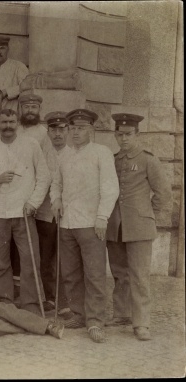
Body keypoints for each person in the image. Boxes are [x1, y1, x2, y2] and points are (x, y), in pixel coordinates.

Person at [50, 109, 119, 343]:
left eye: (81, 128)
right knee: (70, 272)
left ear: (91, 129)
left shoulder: (102, 153)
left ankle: (96, 320)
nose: (76, 132)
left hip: (91, 223)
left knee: (94, 273)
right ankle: (79, 314)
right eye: (73, 128)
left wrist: (102, 217)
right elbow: (56, 184)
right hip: (67, 222)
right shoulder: (64, 156)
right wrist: (56, 200)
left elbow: (110, 188)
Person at [0, 108, 50, 315]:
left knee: (30, 259)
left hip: (24, 212)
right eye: (4, 122)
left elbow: (44, 177)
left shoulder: (31, 145)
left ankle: (31, 305)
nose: (8, 126)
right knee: (0, 262)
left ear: (18, 123)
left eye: (12, 122)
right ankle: (4, 302)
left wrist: (33, 203)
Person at [105, 113, 172, 341]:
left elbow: (163, 193)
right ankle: (122, 314)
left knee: (140, 276)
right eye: (119, 134)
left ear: (137, 134)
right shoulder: (112, 160)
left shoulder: (148, 160)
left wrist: (147, 213)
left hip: (140, 227)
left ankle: (141, 323)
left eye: (128, 134)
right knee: (119, 274)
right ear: (115, 135)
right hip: (115, 226)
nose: (124, 139)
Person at [34, 112, 73, 317]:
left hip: (67, 216)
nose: (57, 134)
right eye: (53, 130)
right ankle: (50, 297)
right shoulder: (41, 154)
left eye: (62, 129)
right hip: (44, 214)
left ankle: (65, 300)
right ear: (47, 132)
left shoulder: (74, 154)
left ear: (67, 131)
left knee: (65, 258)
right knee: (45, 257)